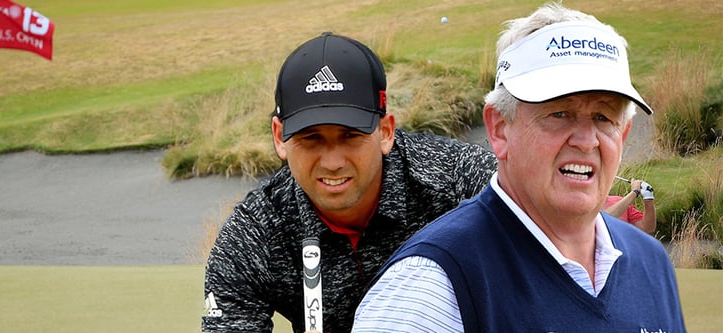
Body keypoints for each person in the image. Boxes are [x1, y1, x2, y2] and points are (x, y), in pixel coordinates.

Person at [352, 3, 685, 332]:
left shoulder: (651, 262)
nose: (587, 141)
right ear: (499, 129)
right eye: (559, 113)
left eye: (603, 117)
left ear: (622, 134)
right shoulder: (429, 288)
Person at [201, 32, 497, 332]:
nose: (332, 162)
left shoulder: (459, 181)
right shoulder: (255, 234)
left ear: (385, 131)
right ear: (279, 137)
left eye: (350, 136)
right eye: (311, 138)